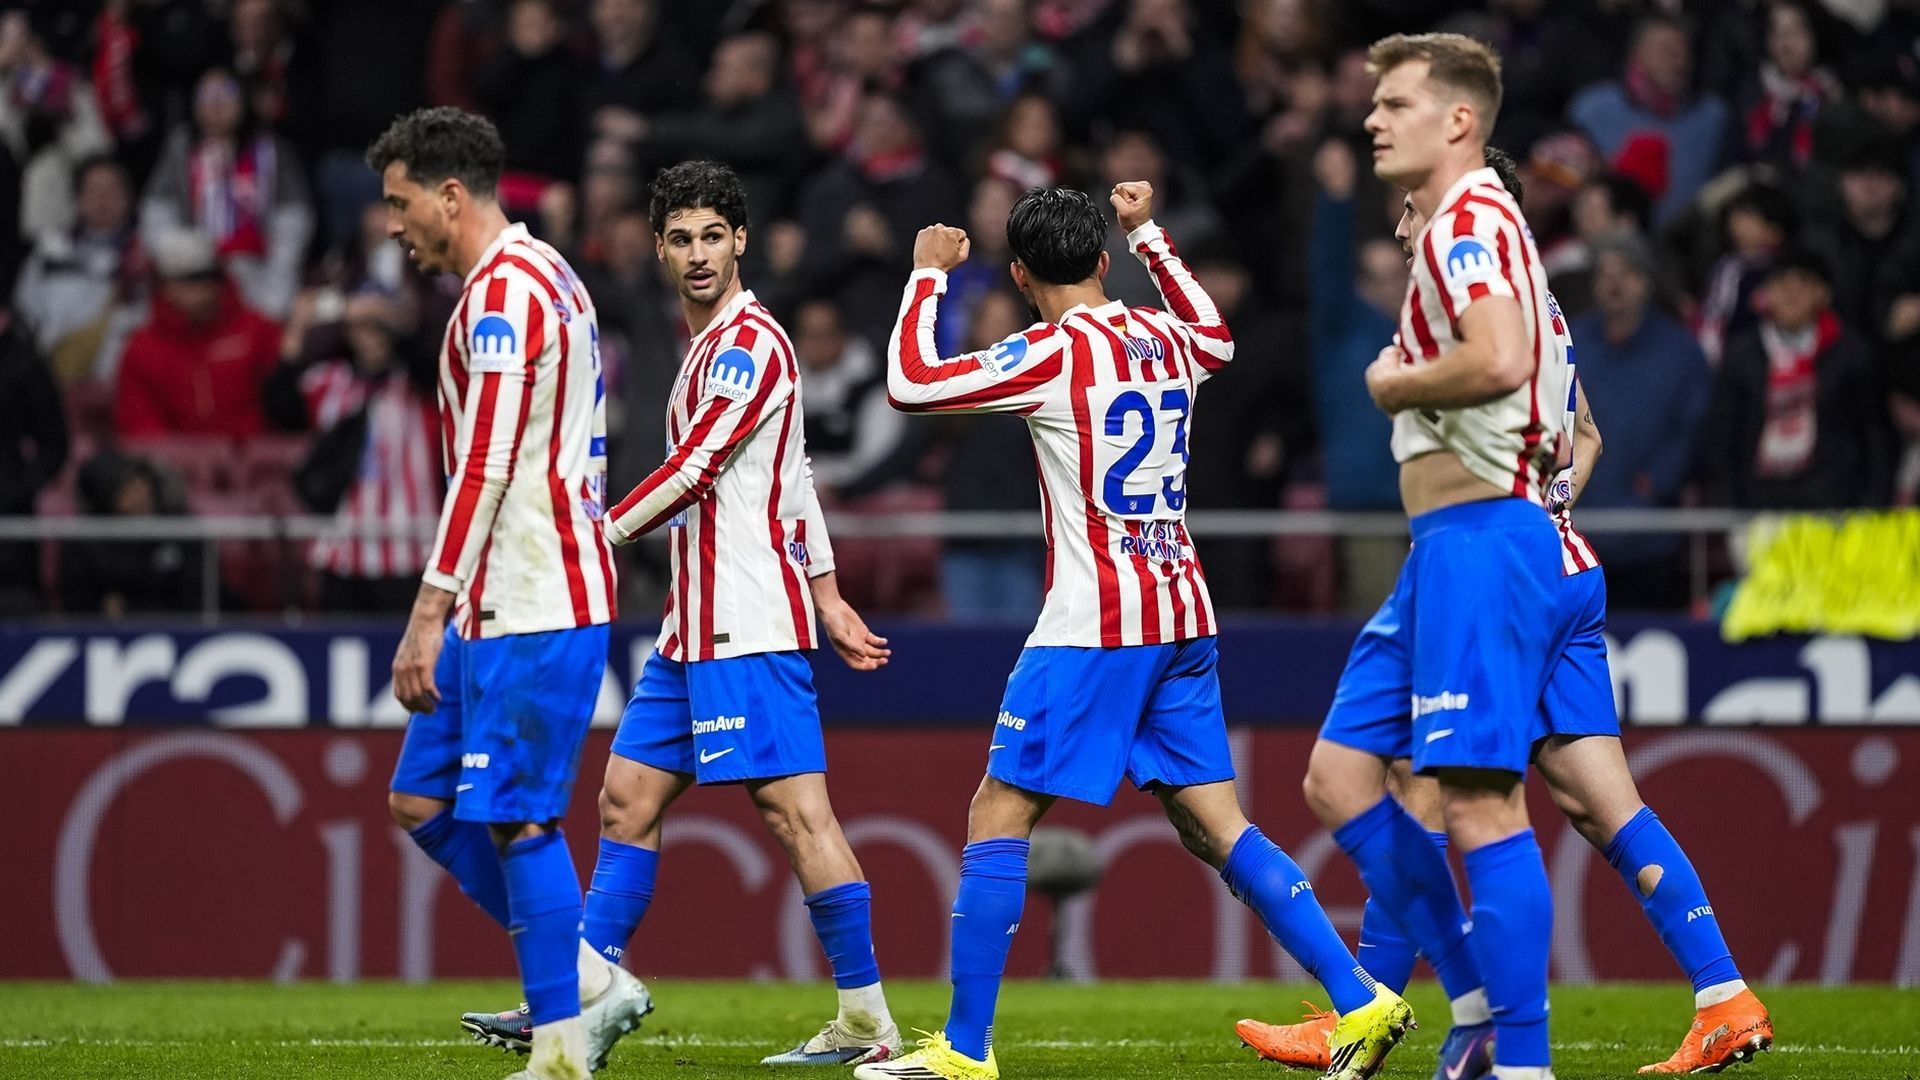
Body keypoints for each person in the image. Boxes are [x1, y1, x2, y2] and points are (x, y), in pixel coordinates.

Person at [854, 183, 1413, 1080]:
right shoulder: (1165, 337)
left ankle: (962, 1050)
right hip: (1182, 610)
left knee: (999, 810)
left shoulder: (1047, 353)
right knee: (1215, 825)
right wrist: (1152, 229)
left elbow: (912, 384)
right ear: (1104, 262)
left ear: (1021, 276)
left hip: (1096, 622)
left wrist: (927, 276)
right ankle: (1361, 1000)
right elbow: (1218, 338)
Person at [1241, 147, 1774, 1078]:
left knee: (1436, 791)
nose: (1402, 225)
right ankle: (1724, 995)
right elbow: (1588, 433)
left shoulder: (1464, 295)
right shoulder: (1544, 302)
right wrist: (1550, 506)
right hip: (1559, 562)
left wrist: (1395, 382)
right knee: (1601, 805)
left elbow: (1484, 402)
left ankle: (1389, 1014)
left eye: (1413, 207)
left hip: (1488, 565)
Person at [463, 160, 905, 1069]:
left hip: (746, 620)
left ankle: (868, 1020)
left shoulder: (746, 345)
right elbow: (795, 478)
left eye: (713, 235)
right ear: (660, 250)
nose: (698, 253)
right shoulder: (704, 347)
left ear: (740, 240)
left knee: (797, 818)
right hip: (690, 626)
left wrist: (595, 533)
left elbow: (699, 466)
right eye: (680, 238)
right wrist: (829, 592)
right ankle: (577, 998)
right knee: (624, 800)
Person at [1294, 34, 1579, 1080]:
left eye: (1397, 103)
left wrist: (1393, 382)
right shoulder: (1467, 220)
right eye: (1374, 103)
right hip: (1442, 549)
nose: (1373, 119)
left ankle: (1523, 1061)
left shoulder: (1466, 220)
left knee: (1478, 803)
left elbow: (1500, 357)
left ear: (1459, 120)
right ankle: (1470, 1006)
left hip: (1484, 540)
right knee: (1337, 780)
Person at [368, 107, 641, 1080]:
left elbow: (484, 465)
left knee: (521, 818)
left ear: (450, 196)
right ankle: (587, 977)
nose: (392, 224)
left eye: (400, 201)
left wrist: (424, 615)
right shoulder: (546, 273)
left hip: (534, 592)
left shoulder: (502, 298)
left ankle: (561, 1047)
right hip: (502, 595)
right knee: (420, 799)